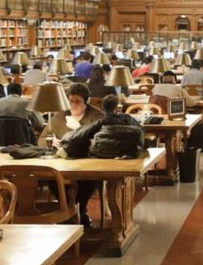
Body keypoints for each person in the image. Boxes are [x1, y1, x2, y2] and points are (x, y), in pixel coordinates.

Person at [58, 93, 143, 226]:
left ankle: (73, 213)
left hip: (100, 159)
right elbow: (141, 133)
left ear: (103, 108)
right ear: (117, 107)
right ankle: (118, 224)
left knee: (80, 182)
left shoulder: (99, 122)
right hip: (125, 160)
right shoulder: (127, 119)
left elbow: (77, 138)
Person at [39, 82, 104, 146]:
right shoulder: (60, 115)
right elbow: (41, 139)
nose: (73, 105)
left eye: (77, 102)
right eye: (70, 101)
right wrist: (50, 142)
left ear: (87, 101)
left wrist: (79, 129)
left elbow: (100, 143)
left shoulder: (97, 117)